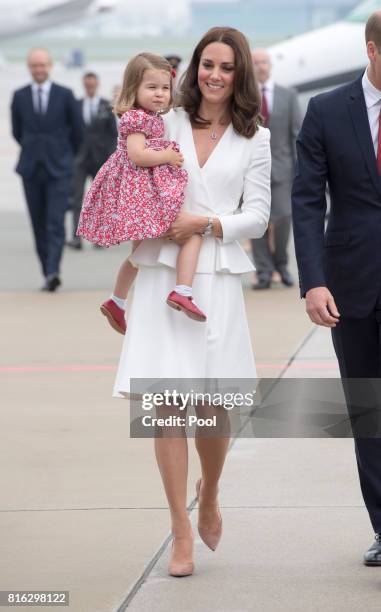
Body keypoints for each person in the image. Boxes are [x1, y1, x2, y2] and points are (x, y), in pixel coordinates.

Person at [113, 27, 271, 576]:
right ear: (195, 68)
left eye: (226, 67)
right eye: (208, 65)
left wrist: (204, 222)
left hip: (216, 276)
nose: (215, 76)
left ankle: (210, 495)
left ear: (240, 73)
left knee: (211, 408)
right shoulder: (167, 120)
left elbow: (258, 216)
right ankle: (180, 530)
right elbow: (130, 172)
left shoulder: (256, 136)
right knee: (166, 407)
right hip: (162, 274)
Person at [292, 10, 381, 567]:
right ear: (373, 49)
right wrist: (313, 281)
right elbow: (305, 202)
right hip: (352, 288)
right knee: (370, 412)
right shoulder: (326, 111)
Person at [77, 53, 207, 328]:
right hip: (141, 195)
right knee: (193, 234)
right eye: (152, 88)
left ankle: (117, 301)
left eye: (164, 88)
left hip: (141, 191)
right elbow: (137, 155)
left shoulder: (147, 116)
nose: (160, 94)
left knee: (139, 254)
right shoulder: (137, 118)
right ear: (133, 88)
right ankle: (182, 291)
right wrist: (168, 156)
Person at [11, 48, 83, 291]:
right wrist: (35, 149)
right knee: (38, 222)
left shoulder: (65, 95)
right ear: (29, 68)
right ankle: (47, 271)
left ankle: (54, 270)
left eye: (42, 65)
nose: (39, 70)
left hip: (59, 168)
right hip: (31, 168)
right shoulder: (19, 96)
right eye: (34, 66)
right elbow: (17, 132)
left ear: (50, 66)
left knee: (54, 222)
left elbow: (78, 132)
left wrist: (64, 156)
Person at [251, 48, 301, 289]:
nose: (261, 66)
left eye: (264, 62)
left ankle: (281, 264)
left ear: (270, 65)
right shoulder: (245, 95)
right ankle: (263, 271)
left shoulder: (288, 95)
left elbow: (296, 135)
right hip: (251, 169)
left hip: (282, 168)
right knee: (256, 220)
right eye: (256, 62)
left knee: (283, 218)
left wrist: (299, 169)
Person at [67, 71, 118, 250]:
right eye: (87, 84)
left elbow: (113, 134)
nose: (90, 87)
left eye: (92, 84)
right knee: (76, 198)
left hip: (100, 159)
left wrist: (110, 159)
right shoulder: (75, 105)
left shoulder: (106, 106)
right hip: (79, 159)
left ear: (97, 84)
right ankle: (76, 237)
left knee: (99, 199)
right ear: (84, 85)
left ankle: (98, 237)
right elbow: (69, 131)